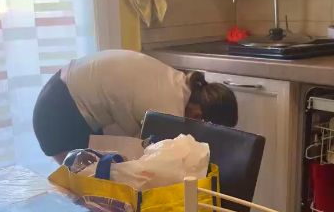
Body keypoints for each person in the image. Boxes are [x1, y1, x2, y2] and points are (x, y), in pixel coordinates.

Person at [33, 49, 238, 163]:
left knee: (93, 184)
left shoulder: (178, 83)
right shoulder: (169, 107)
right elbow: (158, 161)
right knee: (81, 191)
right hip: (59, 111)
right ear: (199, 115)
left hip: (63, 88)